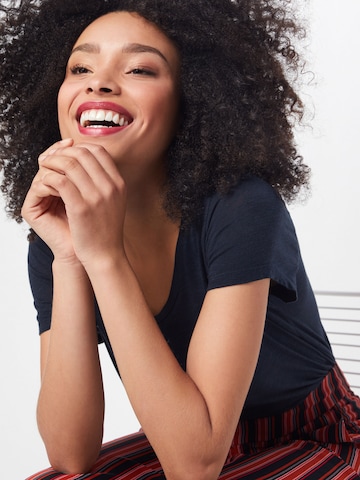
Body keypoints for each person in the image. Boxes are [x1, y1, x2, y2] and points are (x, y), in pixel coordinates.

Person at [1, 0, 359, 478]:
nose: (99, 82)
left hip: (315, 438)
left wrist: (105, 257)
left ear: (193, 100)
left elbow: (196, 465)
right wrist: (69, 257)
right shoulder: (59, 233)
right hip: (185, 434)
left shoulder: (241, 207)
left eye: (140, 69)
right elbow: (70, 457)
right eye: (81, 66)